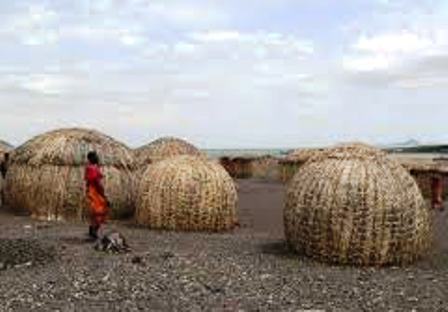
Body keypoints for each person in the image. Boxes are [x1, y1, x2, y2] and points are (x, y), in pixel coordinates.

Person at [85, 151, 109, 240]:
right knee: (99, 210)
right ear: (90, 159)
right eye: (95, 157)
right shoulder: (93, 169)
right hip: (95, 192)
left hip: (92, 191)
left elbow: (88, 182)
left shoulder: (90, 168)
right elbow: (97, 182)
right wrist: (102, 193)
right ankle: (94, 231)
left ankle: (93, 230)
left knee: (95, 211)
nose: (97, 158)